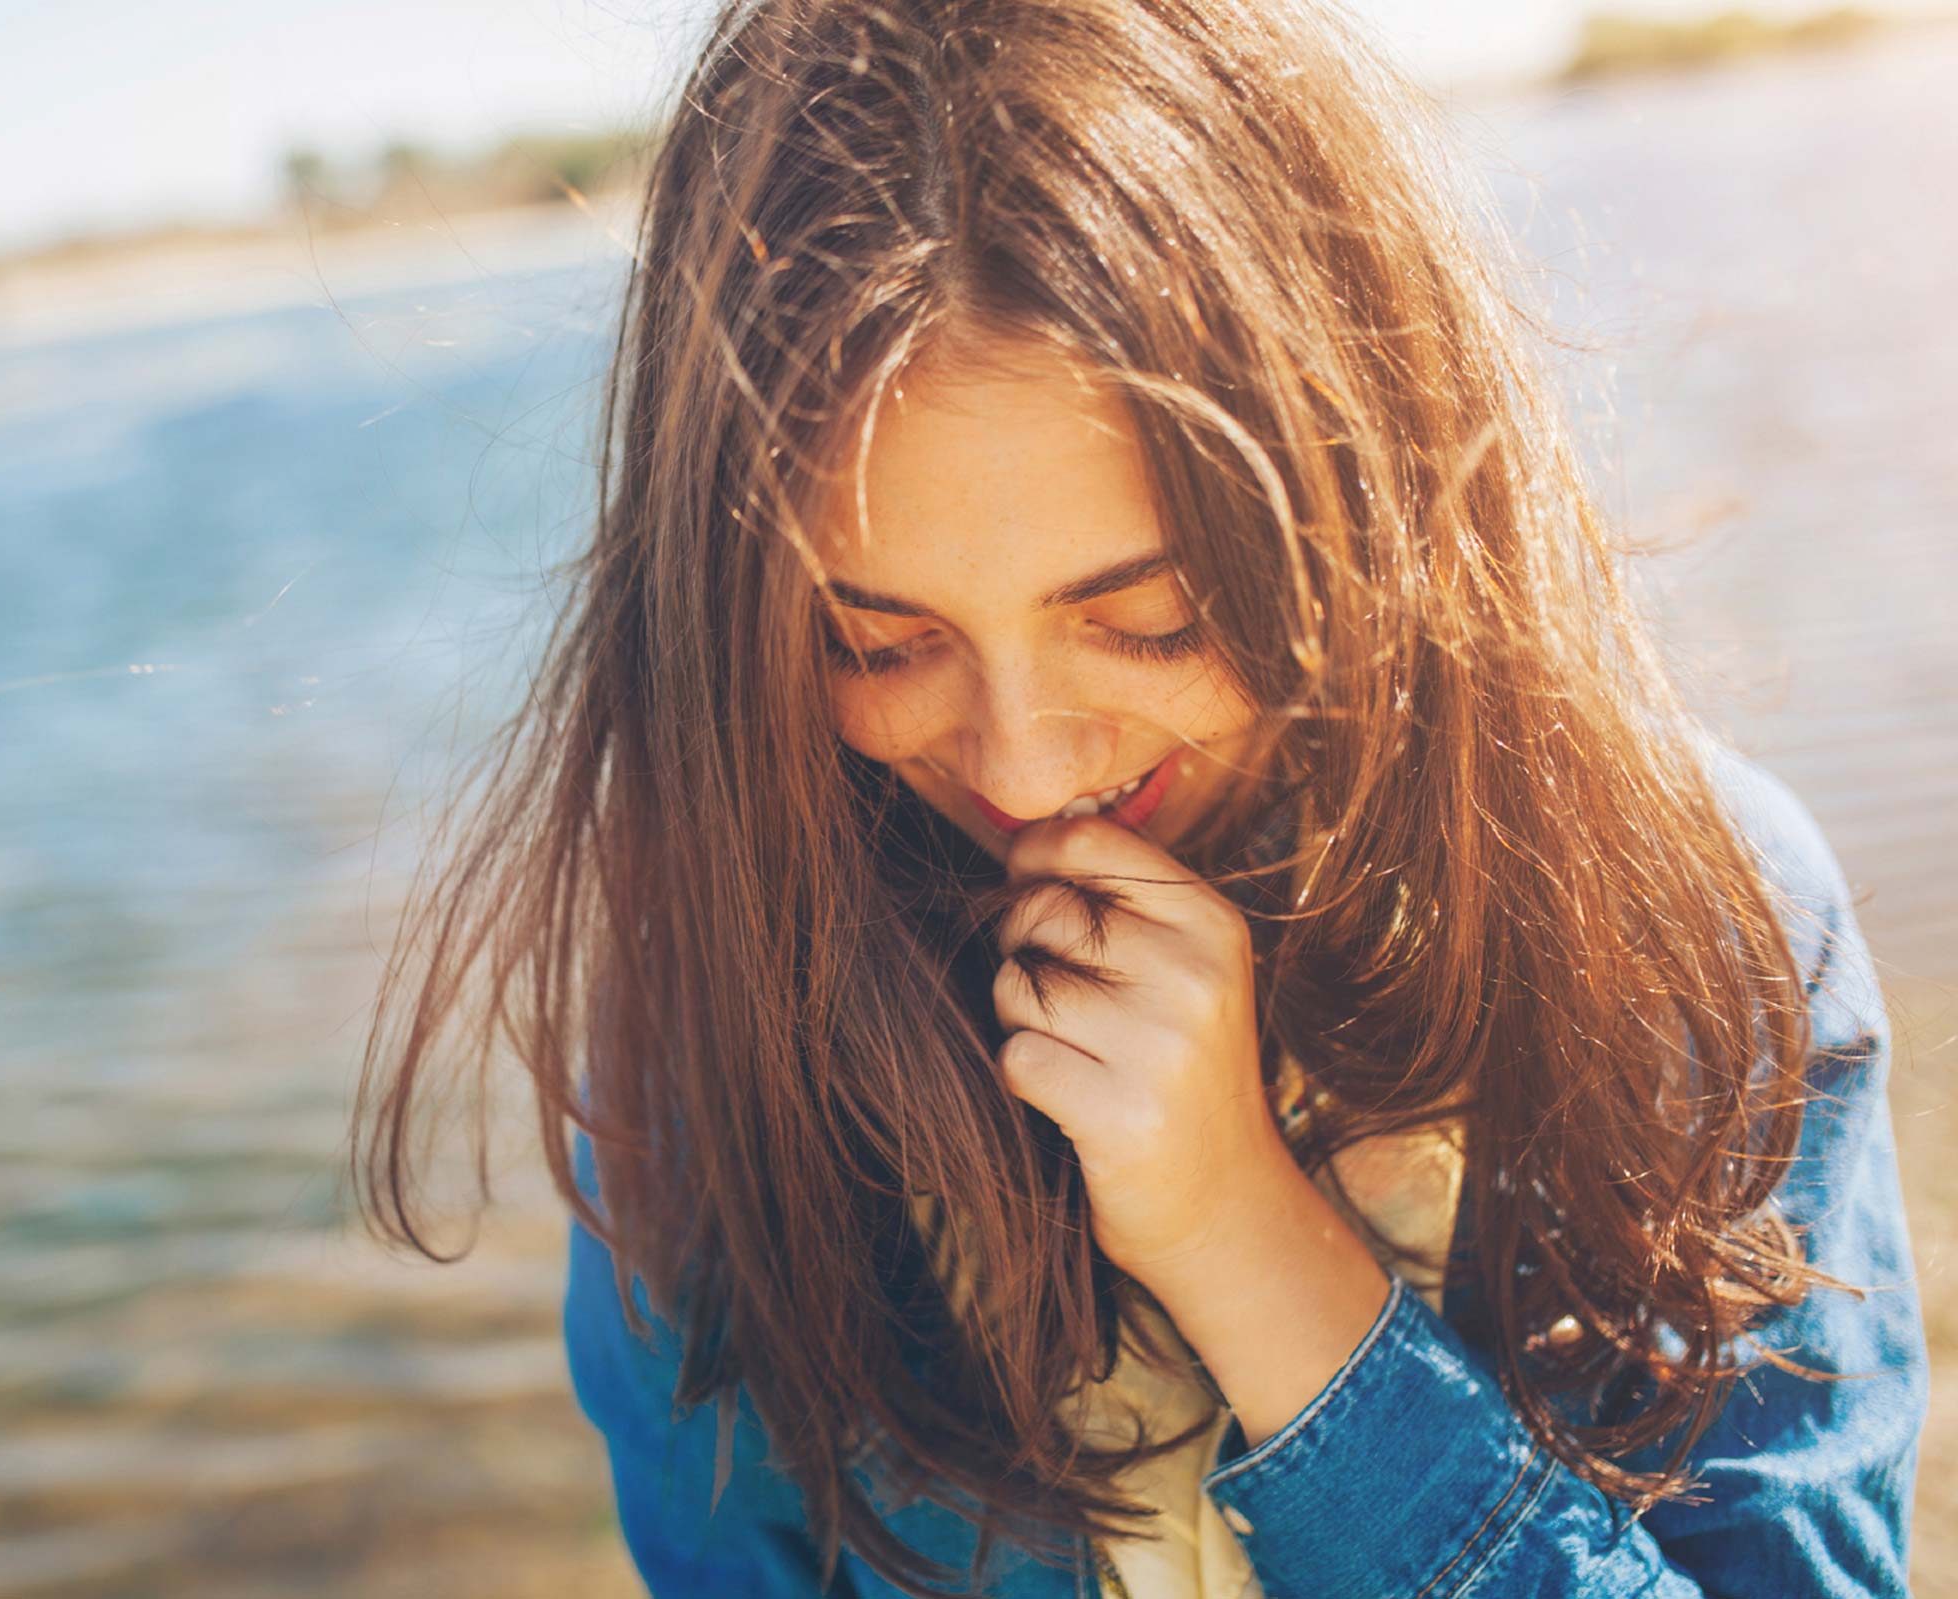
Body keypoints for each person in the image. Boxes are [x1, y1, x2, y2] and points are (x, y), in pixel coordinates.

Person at [354, 0, 1928, 1593]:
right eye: (880, 643)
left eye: (1152, 617)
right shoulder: (712, 1054)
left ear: (1362, 477)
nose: (1027, 771)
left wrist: (1253, 1252)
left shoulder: (1702, 925)